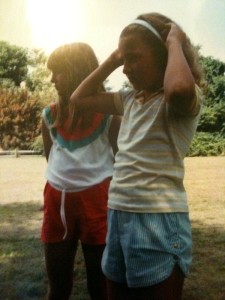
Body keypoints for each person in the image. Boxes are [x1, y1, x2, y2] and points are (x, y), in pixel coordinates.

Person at [70, 13, 203, 300]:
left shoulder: (181, 99)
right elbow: (77, 99)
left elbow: (178, 88)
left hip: (158, 218)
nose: (126, 68)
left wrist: (175, 40)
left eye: (134, 58)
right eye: (124, 60)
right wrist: (111, 60)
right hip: (118, 211)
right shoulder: (129, 99)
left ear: (162, 54)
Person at [41, 42, 120, 300]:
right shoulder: (50, 115)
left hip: (97, 202)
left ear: (77, 71)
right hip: (57, 200)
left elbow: (120, 161)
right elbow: (50, 157)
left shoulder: (109, 115)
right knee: (58, 285)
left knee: (100, 286)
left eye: (58, 71)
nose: (52, 79)